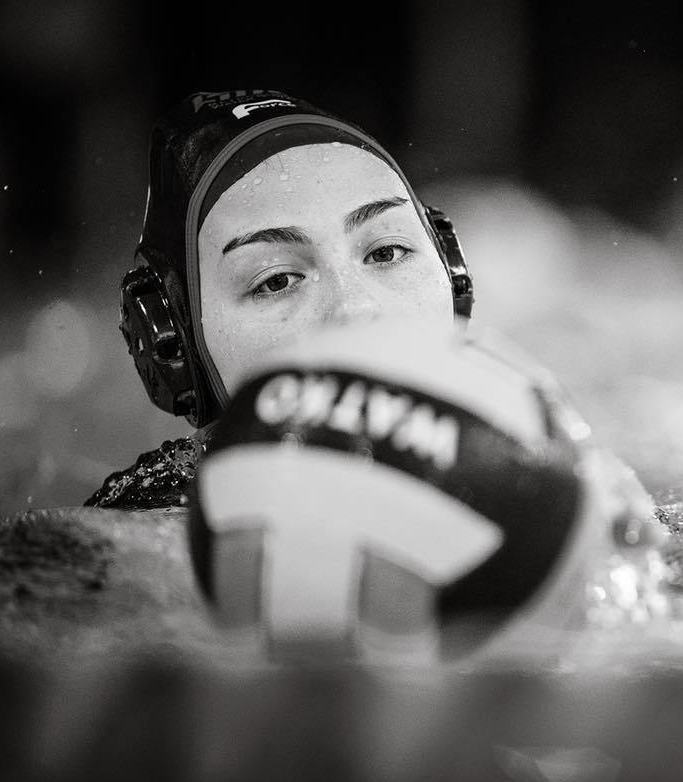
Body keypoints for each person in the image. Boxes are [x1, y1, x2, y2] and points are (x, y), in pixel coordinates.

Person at [85, 89, 474, 508]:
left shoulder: (517, 468)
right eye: (277, 281)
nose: (355, 307)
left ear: (453, 274)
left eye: (386, 253)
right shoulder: (139, 529)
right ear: (177, 348)